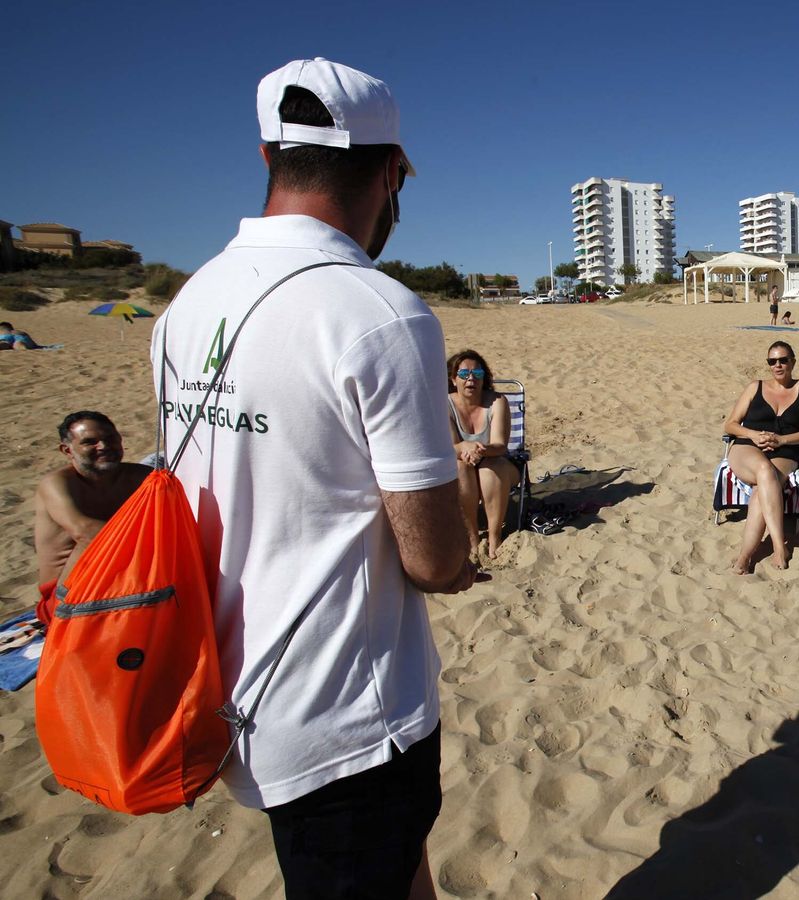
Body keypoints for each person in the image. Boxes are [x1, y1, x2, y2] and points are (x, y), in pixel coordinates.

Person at [151, 59, 475, 899]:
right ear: (391, 172)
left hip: (227, 687)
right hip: (347, 719)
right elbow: (435, 561)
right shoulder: (380, 313)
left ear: (267, 158)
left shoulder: (188, 305)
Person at [33, 411, 151, 626]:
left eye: (110, 439)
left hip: (125, 581)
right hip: (66, 600)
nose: (103, 446)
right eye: (90, 442)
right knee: (91, 539)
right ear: (67, 450)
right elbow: (85, 532)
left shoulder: (142, 477)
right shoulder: (57, 484)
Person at [722, 340, 799, 573]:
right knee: (764, 471)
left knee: (762, 487)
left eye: (783, 360)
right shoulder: (754, 387)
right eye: (772, 361)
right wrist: (754, 435)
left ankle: (746, 556)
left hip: (785, 451)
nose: (778, 365)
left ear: (792, 362)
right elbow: (730, 424)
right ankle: (780, 546)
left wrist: (782, 440)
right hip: (747, 446)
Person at [446, 349, 519, 560]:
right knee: (460, 468)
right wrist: (465, 448)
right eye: (464, 374)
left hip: (498, 463)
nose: (471, 379)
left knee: (490, 468)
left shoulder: (497, 402)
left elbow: (500, 445)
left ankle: (495, 535)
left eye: (477, 374)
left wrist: (479, 449)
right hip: (463, 463)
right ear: (453, 379)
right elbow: (452, 447)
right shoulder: (444, 404)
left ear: (484, 378)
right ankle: (472, 537)